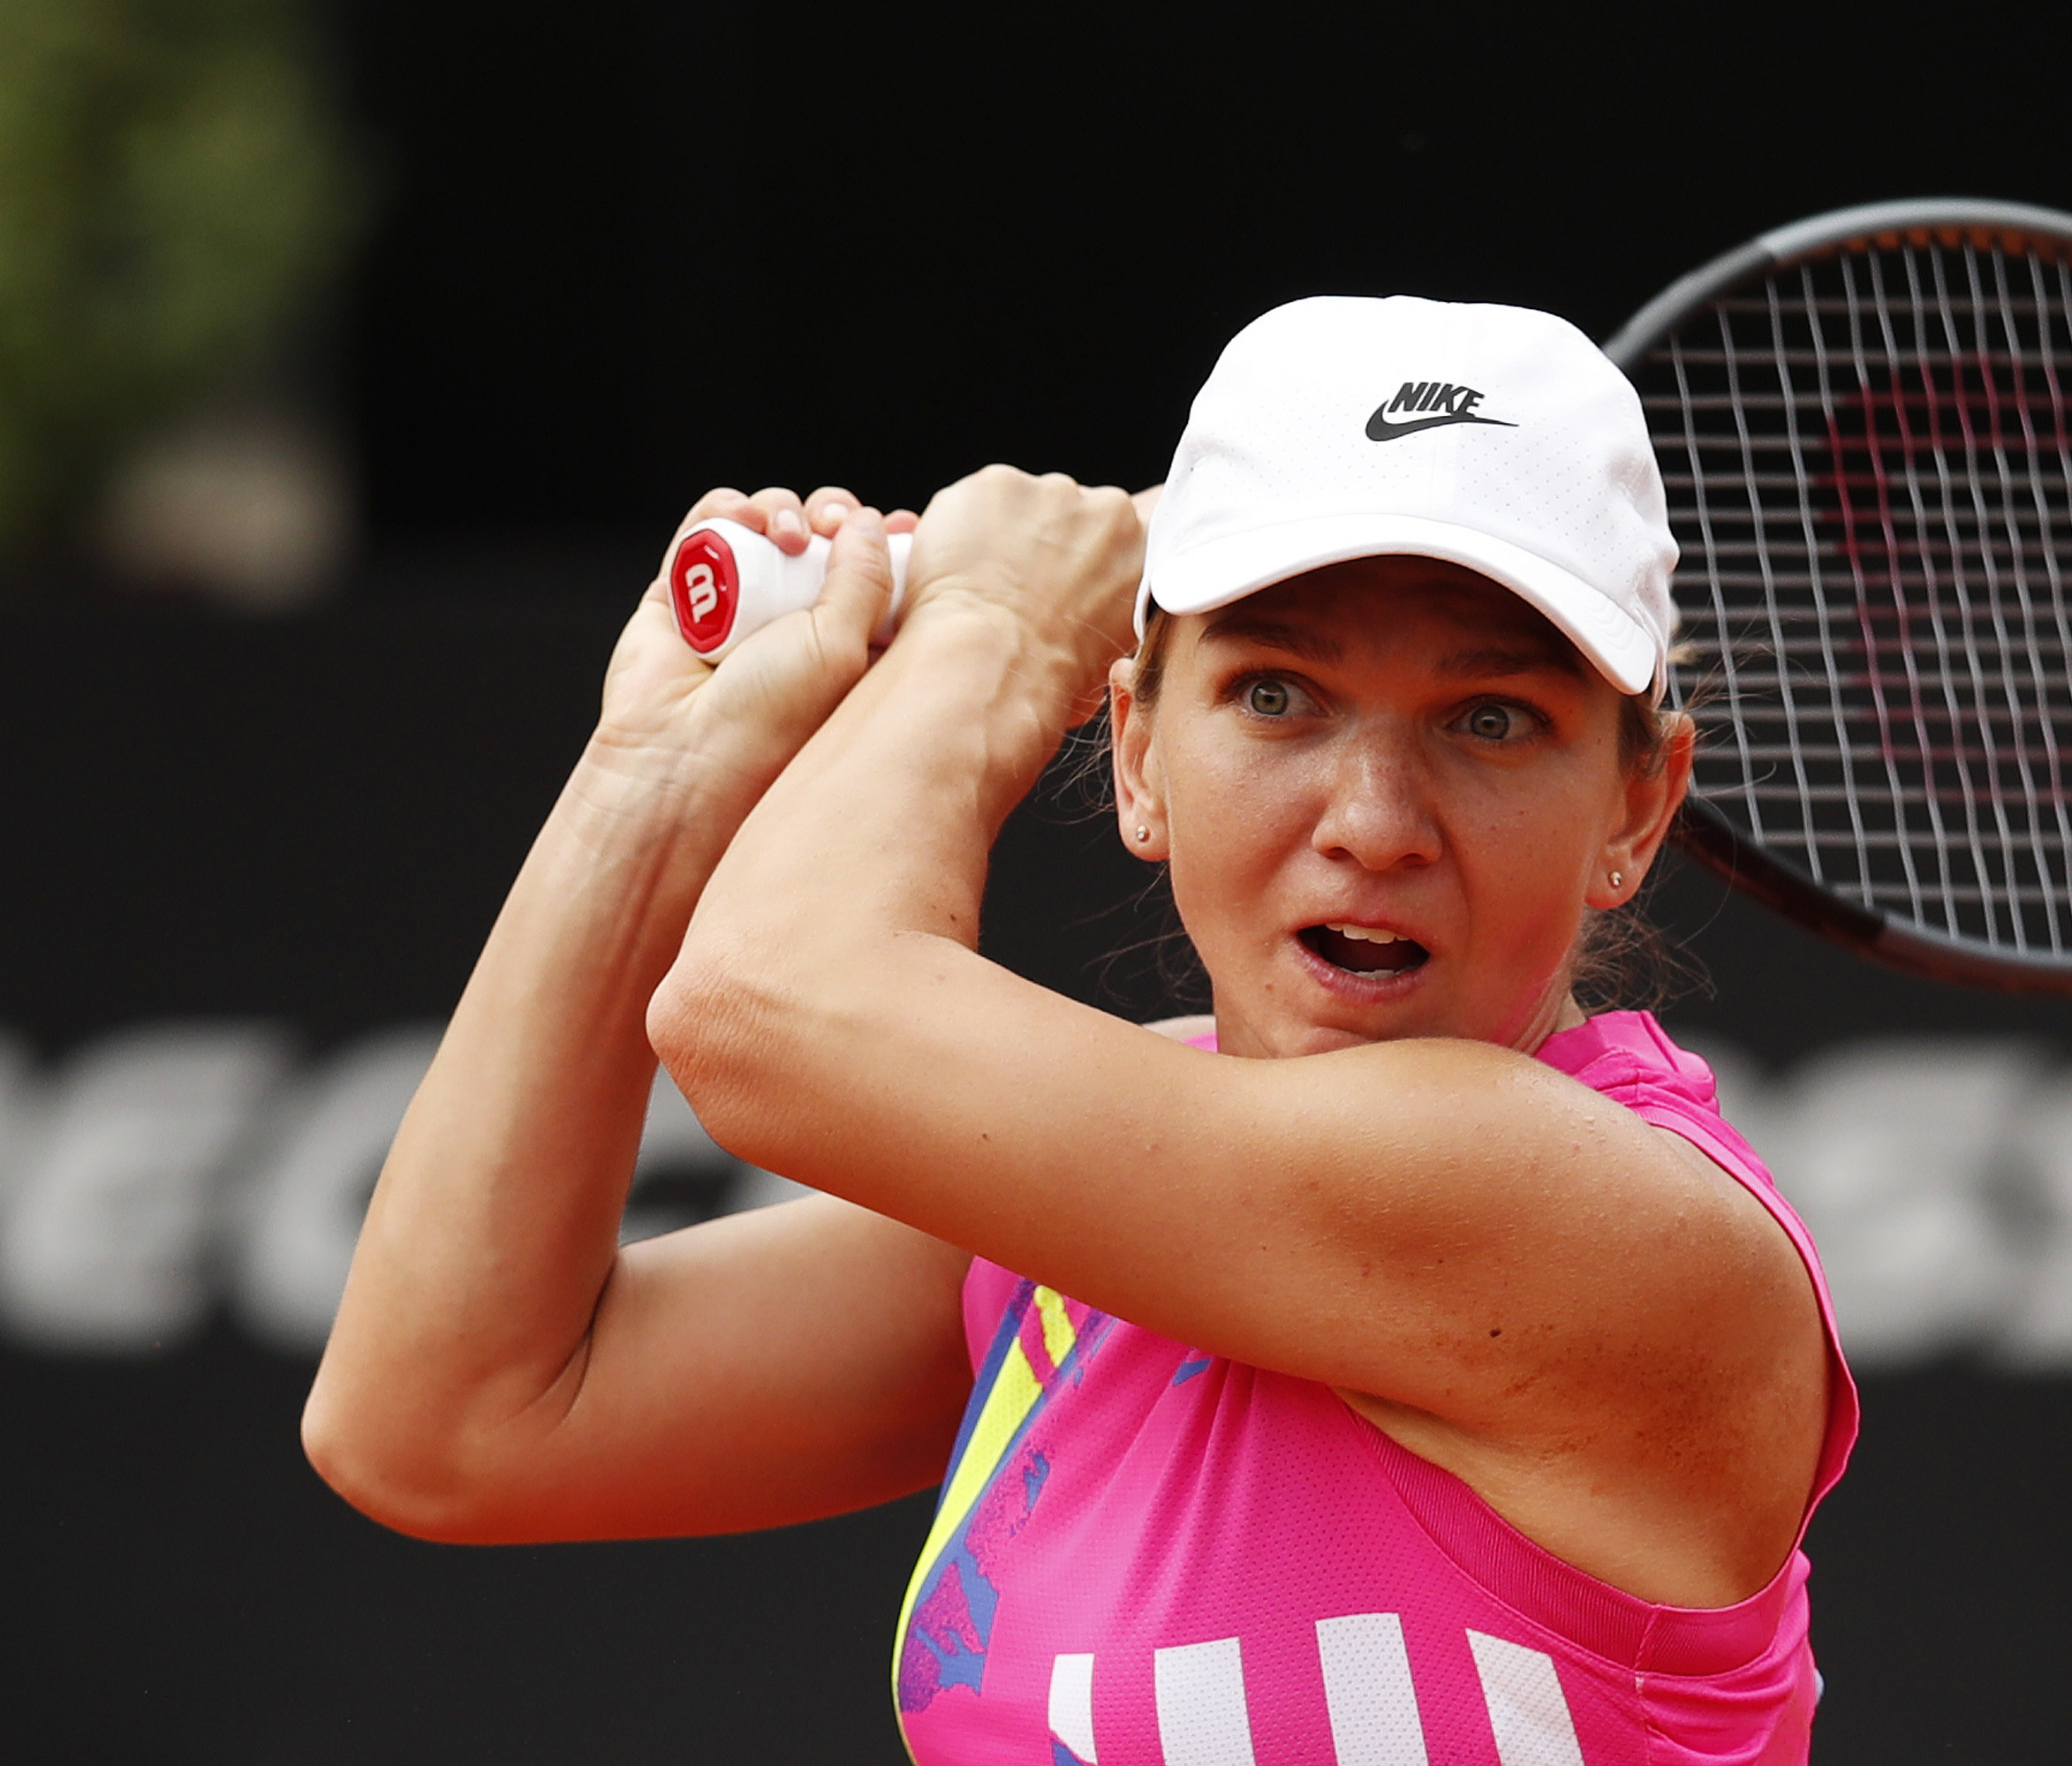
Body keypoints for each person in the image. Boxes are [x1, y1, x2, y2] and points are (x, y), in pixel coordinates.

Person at [306, 295, 1857, 1763]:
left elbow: (766, 1011)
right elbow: (446, 1417)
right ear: (1136, 751)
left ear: (1636, 807)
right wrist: (658, 778)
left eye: (1491, 719)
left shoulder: (1612, 1229)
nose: (1375, 820)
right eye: (1278, 696)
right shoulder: (1093, 1213)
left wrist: (989, 625)